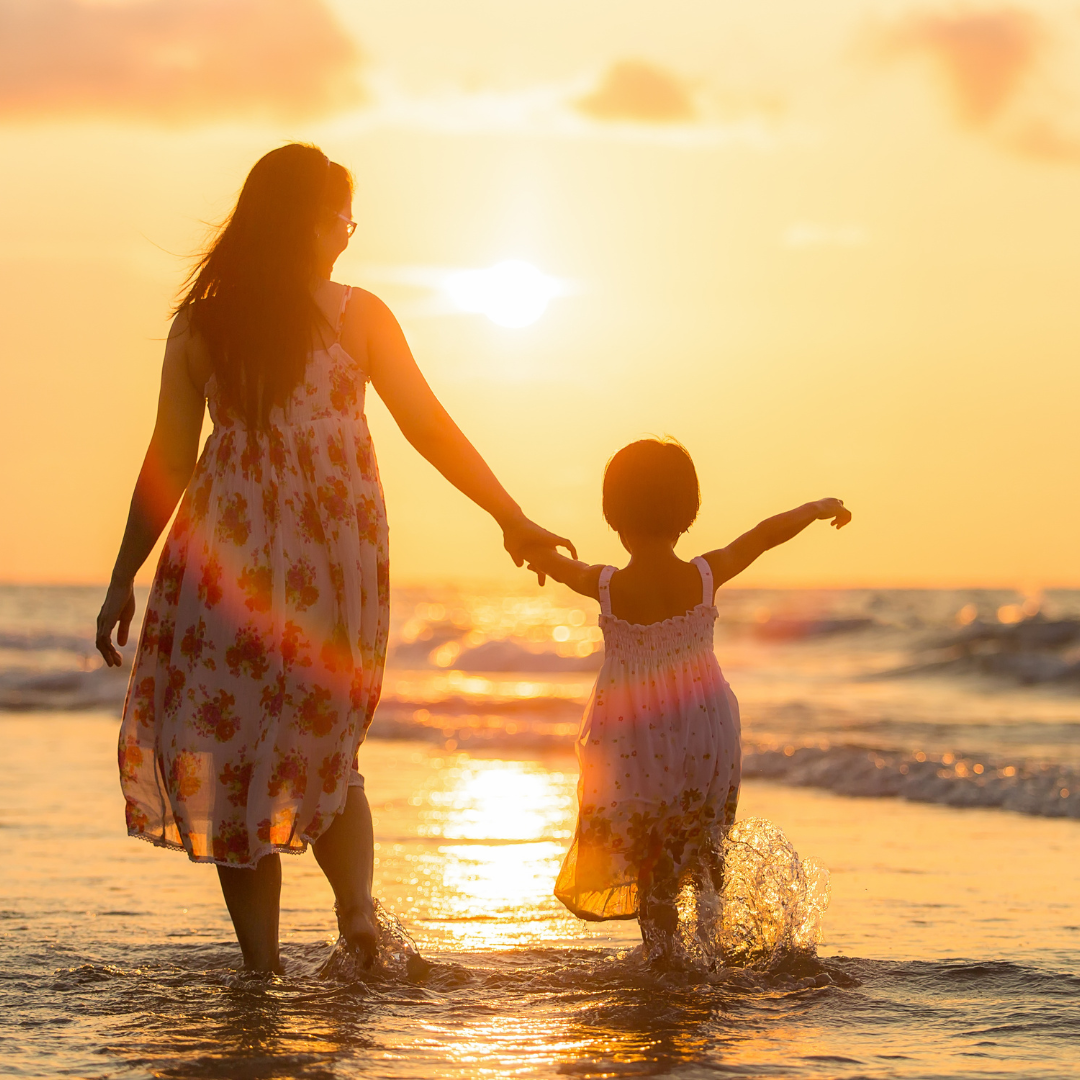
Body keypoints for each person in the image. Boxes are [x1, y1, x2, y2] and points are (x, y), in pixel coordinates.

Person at [95, 143, 574, 974]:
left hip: (225, 566)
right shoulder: (357, 315)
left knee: (233, 753)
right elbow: (427, 425)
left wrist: (122, 576)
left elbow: (169, 459)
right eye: (342, 215)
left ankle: (262, 970)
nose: (350, 234)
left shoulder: (204, 322)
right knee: (325, 742)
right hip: (333, 562)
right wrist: (510, 517)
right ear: (306, 220)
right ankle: (355, 918)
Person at [524, 438, 850, 960]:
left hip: (634, 741)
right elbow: (763, 536)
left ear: (613, 515)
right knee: (705, 844)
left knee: (651, 859)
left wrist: (528, 548)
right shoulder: (703, 575)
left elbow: (557, 565)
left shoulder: (606, 585)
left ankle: (666, 959)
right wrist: (815, 509)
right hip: (705, 731)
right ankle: (710, 948)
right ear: (687, 513)